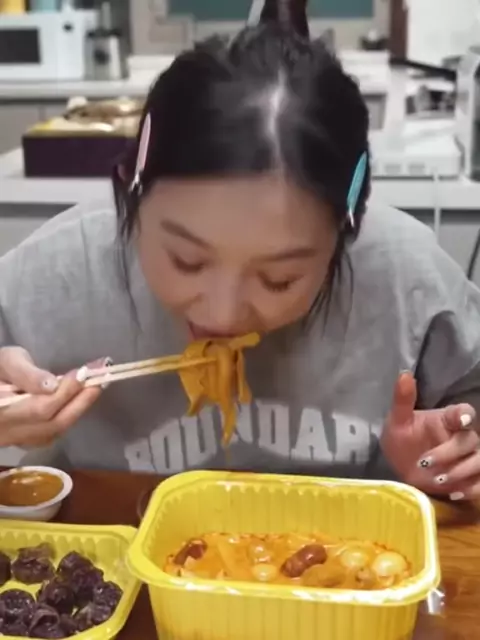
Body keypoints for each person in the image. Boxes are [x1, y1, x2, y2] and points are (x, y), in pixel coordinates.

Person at [0, 0, 479, 502]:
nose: (222, 315)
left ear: (346, 233)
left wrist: (455, 454)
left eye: (278, 279)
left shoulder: (401, 271)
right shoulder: (66, 268)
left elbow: (470, 394)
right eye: (187, 261)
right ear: (132, 193)